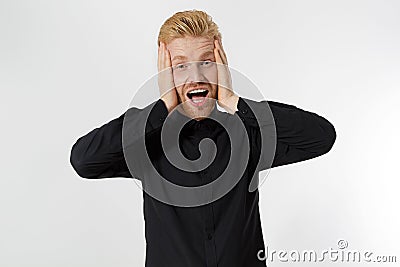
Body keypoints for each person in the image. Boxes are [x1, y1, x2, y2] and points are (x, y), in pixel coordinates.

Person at [70, 10, 336, 267]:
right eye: (181, 66)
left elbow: (321, 137)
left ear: (221, 67)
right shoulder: (145, 142)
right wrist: (162, 106)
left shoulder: (246, 134)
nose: (196, 77)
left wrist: (233, 101)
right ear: (166, 74)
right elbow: (84, 160)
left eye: (206, 63)